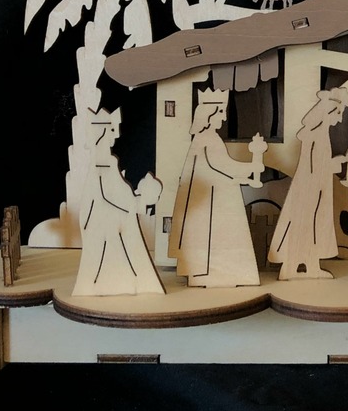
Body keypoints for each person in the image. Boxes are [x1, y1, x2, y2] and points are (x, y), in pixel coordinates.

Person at [170, 89, 267, 287]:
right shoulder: (208, 139)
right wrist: (251, 167)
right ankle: (210, 272)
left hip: (217, 196)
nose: (223, 118)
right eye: (221, 112)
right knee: (215, 235)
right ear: (209, 113)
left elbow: (220, 168)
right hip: (211, 202)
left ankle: (220, 272)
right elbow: (222, 166)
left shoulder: (208, 138)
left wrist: (245, 174)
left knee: (222, 235)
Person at [72, 108, 165, 296]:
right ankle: (110, 283)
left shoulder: (107, 162)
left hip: (112, 216)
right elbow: (107, 194)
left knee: (122, 248)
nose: (115, 137)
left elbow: (116, 190)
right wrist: (134, 202)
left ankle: (124, 281)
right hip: (104, 221)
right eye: (112, 131)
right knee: (113, 250)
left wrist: (134, 200)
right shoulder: (101, 163)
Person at [269, 88, 348, 279]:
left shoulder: (320, 134)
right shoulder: (315, 136)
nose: (339, 120)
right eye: (338, 113)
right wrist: (337, 162)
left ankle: (311, 265)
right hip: (309, 190)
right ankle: (291, 267)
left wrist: (337, 162)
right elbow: (314, 167)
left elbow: (319, 165)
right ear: (327, 112)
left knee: (314, 226)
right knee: (304, 224)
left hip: (316, 189)